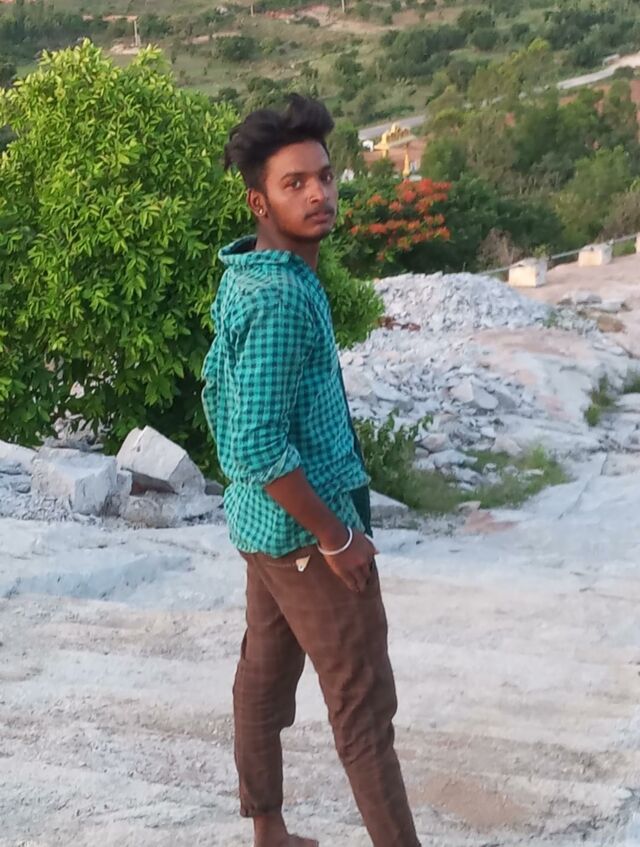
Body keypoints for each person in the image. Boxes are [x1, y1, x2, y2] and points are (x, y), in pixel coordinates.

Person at [202, 94, 420, 847]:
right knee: (364, 709)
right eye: (294, 183)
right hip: (305, 534)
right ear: (260, 202)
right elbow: (259, 444)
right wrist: (337, 536)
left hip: (262, 529)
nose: (319, 193)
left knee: (263, 679)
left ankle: (268, 830)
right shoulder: (281, 302)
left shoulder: (250, 273)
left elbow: (226, 400)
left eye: (324, 177)